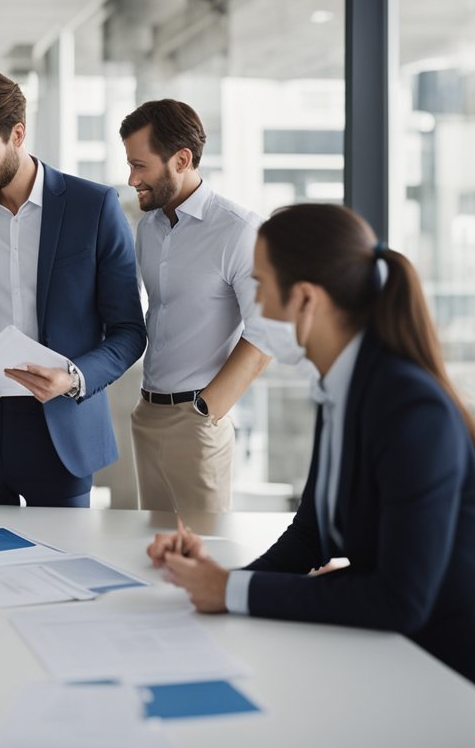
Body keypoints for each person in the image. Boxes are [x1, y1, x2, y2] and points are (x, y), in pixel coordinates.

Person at [148, 203, 475, 683]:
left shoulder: (409, 409)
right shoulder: (338, 387)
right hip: (390, 650)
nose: (254, 304)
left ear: (304, 299)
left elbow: (399, 598)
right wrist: (221, 581)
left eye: (260, 285)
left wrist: (233, 592)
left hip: (442, 669)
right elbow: (310, 537)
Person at [0, 67, 146, 506]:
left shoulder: (93, 207)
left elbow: (130, 332)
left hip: (62, 430)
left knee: (62, 566)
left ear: (17, 134)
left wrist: (72, 378)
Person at [120, 99, 272, 512]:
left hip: (198, 422)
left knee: (203, 555)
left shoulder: (239, 231)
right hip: (147, 413)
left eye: (140, 165)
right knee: (152, 550)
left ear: (182, 160)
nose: (132, 178)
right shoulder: (147, 228)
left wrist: (207, 410)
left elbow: (268, 332)